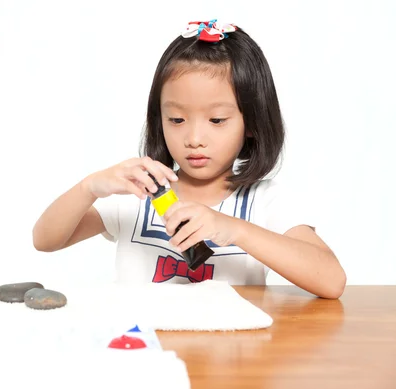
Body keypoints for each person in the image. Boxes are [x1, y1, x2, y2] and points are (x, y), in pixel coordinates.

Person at [32, 20, 346, 299]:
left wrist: (235, 229)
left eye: (217, 120)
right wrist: (89, 187)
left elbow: (331, 281)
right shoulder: (141, 192)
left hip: (234, 359)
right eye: (177, 119)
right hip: (146, 352)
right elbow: (45, 240)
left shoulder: (263, 201)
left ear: (251, 122)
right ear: (159, 119)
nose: (194, 138)